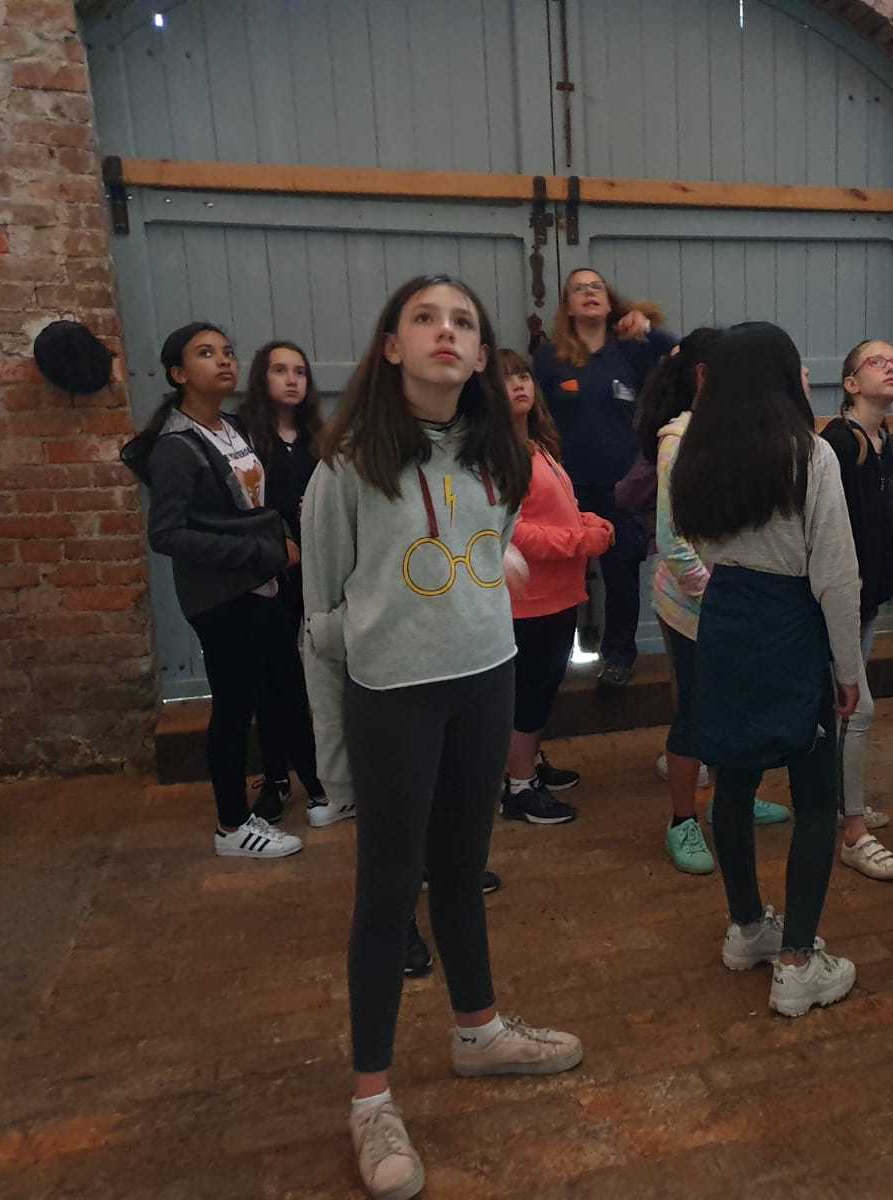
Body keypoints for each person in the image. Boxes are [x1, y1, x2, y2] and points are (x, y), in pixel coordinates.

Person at [301, 275, 583, 1200]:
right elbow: (321, 622)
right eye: (424, 318)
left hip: (485, 680)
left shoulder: (499, 454)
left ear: (481, 353)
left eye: (462, 321)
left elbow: (490, 543)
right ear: (391, 346)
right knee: (389, 891)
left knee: (463, 871)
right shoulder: (345, 467)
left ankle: (478, 1031)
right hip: (394, 697)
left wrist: (490, 576)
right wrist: (335, 765)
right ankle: (372, 1098)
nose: (445, 332)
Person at [670, 322, 863, 1018]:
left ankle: (748, 926)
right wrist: (849, 668)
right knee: (814, 795)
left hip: (724, 620)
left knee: (733, 776)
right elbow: (835, 575)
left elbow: (694, 543)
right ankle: (798, 962)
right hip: (788, 622)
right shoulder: (809, 454)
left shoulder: (697, 454)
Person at [120, 322, 318, 857]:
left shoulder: (232, 428)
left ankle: (309, 788)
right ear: (179, 374)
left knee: (282, 688)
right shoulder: (176, 447)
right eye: (206, 354)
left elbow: (250, 506)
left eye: (227, 352)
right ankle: (232, 827)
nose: (224, 361)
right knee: (233, 708)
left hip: (260, 587)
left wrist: (276, 538)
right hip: (221, 598)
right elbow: (167, 535)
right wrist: (260, 552)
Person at [642, 329, 791, 873]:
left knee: (737, 706)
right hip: (694, 604)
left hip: (734, 602)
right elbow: (672, 537)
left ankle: (736, 798)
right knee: (697, 713)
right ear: (705, 375)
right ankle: (682, 820)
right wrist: (714, 594)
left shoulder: (736, 433)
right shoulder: (679, 441)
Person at [531, 268, 675, 688]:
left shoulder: (631, 353)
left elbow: (682, 359)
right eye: (579, 289)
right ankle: (555, 660)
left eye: (596, 287)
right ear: (568, 305)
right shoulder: (550, 358)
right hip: (565, 488)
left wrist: (647, 329)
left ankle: (618, 657)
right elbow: (533, 416)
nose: (589, 293)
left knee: (621, 574)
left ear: (611, 301)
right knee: (560, 576)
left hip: (621, 488)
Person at [236, 340, 352, 829]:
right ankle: (276, 776)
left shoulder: (321, 439)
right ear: (262, 378)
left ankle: (330, 776)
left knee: (322, 673)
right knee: (273, 679)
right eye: (280, 370)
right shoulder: (244, 438)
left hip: (319, 571)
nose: (292, 380)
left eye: (300, 371)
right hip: (269, 572)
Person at [820, 339, 893, 883]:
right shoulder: (840, 442)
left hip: (865, 597)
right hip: (839, 599)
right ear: (851, 383)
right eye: (877, 363)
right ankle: (853, 833)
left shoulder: (884, 440)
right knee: (856, 709)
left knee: (845, 709)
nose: (892, 368)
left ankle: (843, 804)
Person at [500, 348, 613, 826]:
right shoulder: (496, 453)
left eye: (523, 376)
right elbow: (510, 531)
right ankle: (518, 787)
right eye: (506, 379)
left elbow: (554, 509)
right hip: (529, 599)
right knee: (528, 694)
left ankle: (526, 764)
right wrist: (579, 540)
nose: (519, 385)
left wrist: (588, 521)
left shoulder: (536, 444)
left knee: (542, 689)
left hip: (558, 593)